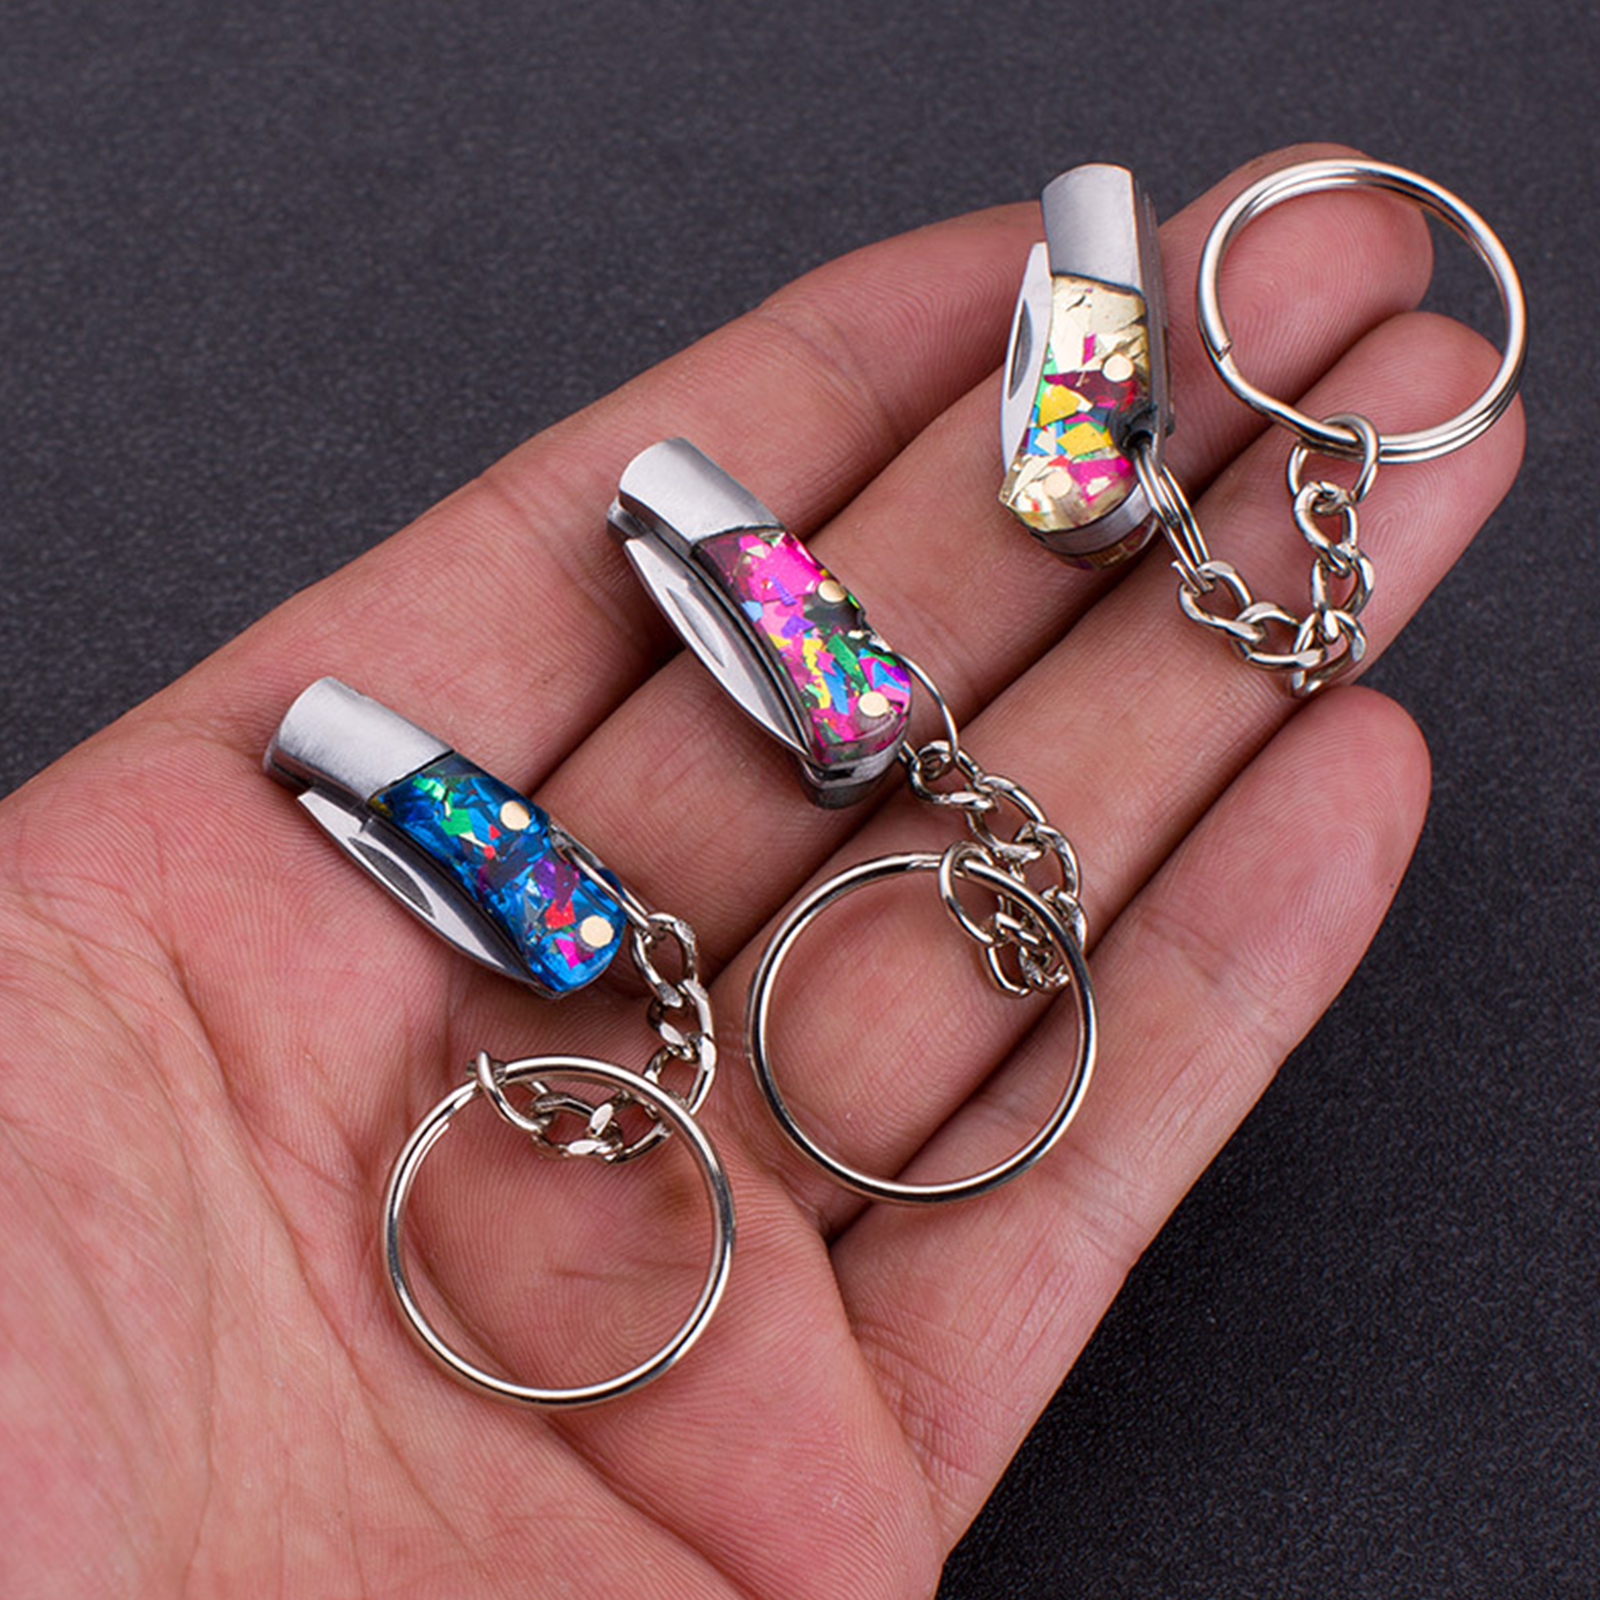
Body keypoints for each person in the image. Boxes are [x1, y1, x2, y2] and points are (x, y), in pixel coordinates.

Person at [0, 144, 1522, 1597]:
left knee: (871, 692)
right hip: (805, 755)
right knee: (805, 740)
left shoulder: (639, 902)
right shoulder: (609, 924)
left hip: (845, 726)